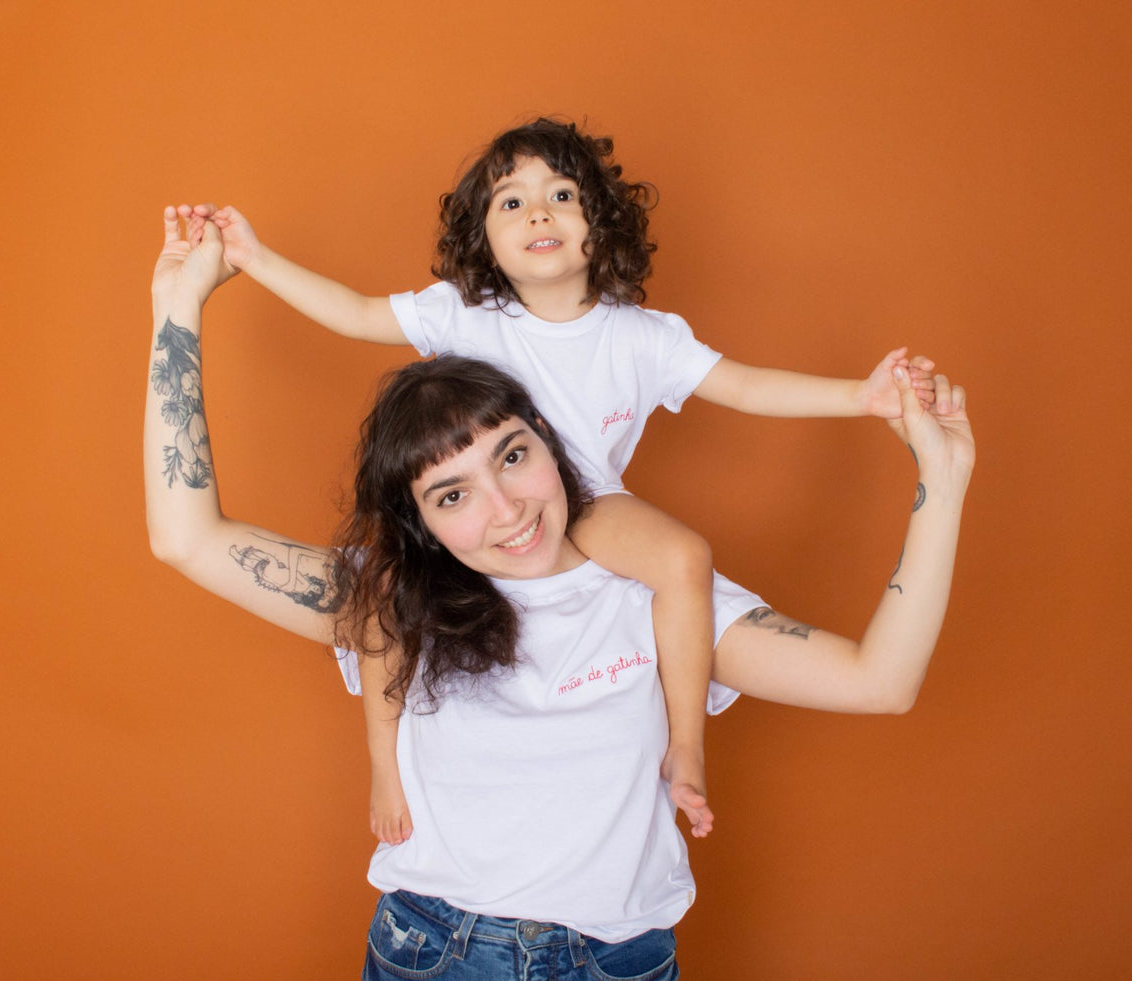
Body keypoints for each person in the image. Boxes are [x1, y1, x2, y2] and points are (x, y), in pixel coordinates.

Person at [145, 208, 974, 981]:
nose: (505, 508)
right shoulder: (393, 602)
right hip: (439, 961)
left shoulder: (664, 596)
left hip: (619, 972)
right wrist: (178, 306)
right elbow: (187, 538)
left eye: (513, 456)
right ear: (421, 523)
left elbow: (880, 681)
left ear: (550, 437)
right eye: (452, 495)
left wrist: (944, 477)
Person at [192, 116, 939, 840]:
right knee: (388, 596)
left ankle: (685, 745)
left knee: (683, 558)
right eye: (510, 202)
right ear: (482, 236)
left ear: (598, 223)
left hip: (586, 508)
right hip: (489, 508)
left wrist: (860, 398)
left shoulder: (643, 337)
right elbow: (354, 313)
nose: (537, 213)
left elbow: (745, 388)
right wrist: (254, 259)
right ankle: (386, 768)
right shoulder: (465, 314)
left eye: (561, 195)